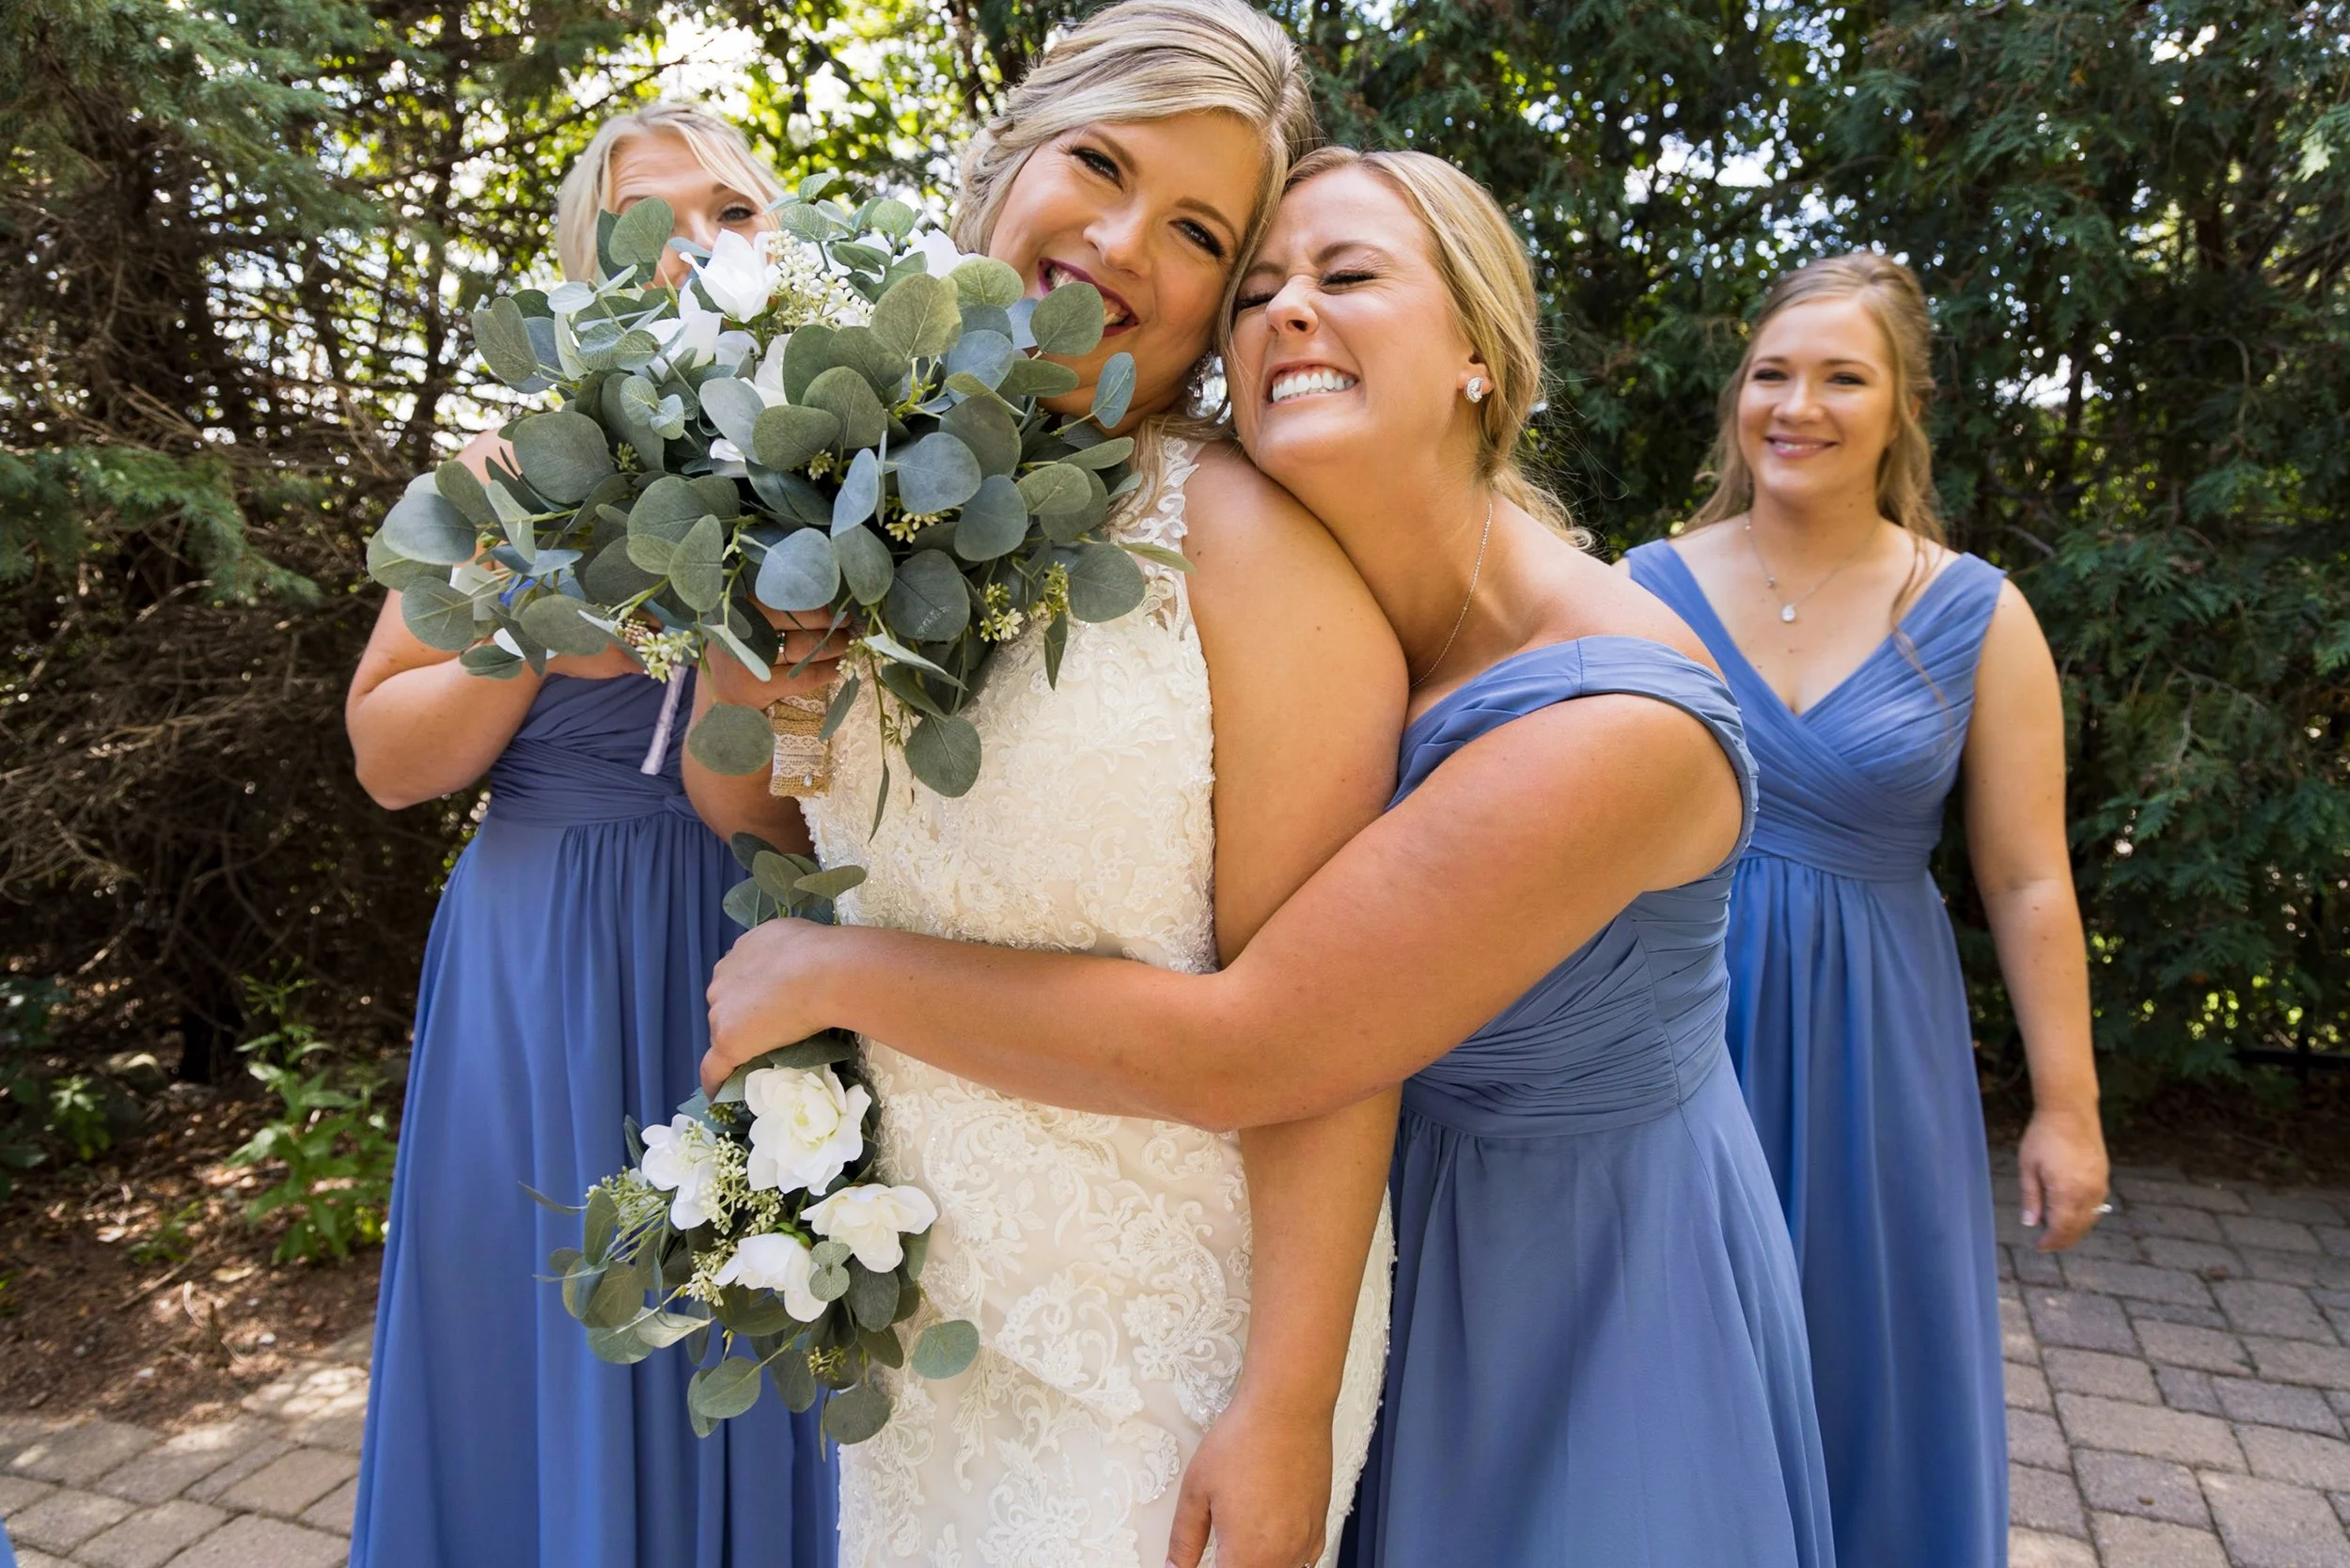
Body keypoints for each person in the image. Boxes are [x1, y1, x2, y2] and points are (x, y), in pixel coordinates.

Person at [704, 148, 1838, 1568]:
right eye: (1258, 293)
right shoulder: (1268, 592)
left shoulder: (1614, 725)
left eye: (1348, 276)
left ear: (1481, 357)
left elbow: (1253, 1046)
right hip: (1340, 1239)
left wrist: (832, 971)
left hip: (1577, 1290)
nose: (1289, 310)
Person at [713, 7, 1405, 1566]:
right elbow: (747, 805)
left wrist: (1286, 1402)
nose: (1122, 243)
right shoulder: (843, 480)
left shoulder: (1251, 557)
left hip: (1166, 1346)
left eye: (1198, 232)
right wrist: (765, 663)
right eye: (1099, 163)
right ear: (1005, 160)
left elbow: (1332, 1041)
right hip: (931, 1310)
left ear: (1222, 301)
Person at [344, 102, 837, 1568]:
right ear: (587, 271)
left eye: (732, 211)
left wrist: (748, 645)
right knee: (540, 1321)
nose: (695, 246)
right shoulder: (499, 471)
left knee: (738, 1321)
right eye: (648, 222)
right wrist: (531, 634)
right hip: (536, 960)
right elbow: (383, 757)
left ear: (781, 242)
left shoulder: (836, 479)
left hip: (740, 946)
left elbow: (792, 804)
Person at [1623, 252, 2107, 1568]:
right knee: (1671, 1338)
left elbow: (2027, 877)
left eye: (1842, 378)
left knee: (1870, 1352)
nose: (1798, 406)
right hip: (1673, 1017)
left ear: (1902, 409)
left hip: (1877, 1051)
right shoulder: (1639, 589)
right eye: (1771, 375)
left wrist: (2067, 1110)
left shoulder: (1977, 614)